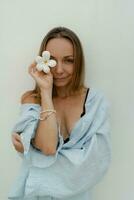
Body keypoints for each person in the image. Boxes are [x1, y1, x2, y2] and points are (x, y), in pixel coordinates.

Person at [8, 26, 111, 200]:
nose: (59, 70)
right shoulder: (32, 100)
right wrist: (46, 93)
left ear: (78, 62)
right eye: (52, 60)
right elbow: (48, 148)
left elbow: (94, 164)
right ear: (43, 60)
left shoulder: (95, 103)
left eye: (69, 60)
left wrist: (35, 159)